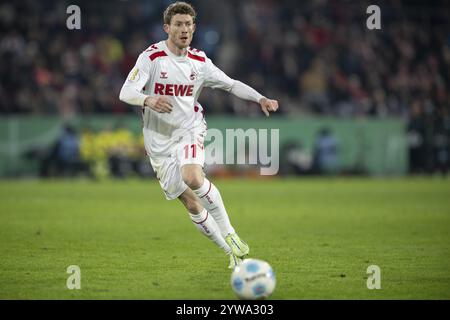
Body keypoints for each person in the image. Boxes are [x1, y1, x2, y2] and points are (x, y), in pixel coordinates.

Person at [119, 1, 279, 269]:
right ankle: (231, 253)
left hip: (189, 129)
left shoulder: (200, 61)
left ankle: (230, 233)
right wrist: (148, 100)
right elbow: (125, 92)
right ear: (167, 27)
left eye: (189, 24)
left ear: (194, 28)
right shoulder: (151, 57)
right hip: (157, 141)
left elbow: (230, 84)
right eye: (179, 24)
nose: (184, 29)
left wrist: (260, 97)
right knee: (192, 204)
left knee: (192, 176)